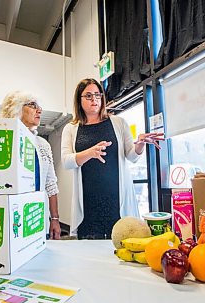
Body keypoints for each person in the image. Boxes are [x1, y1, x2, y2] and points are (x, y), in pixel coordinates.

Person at [61, 78, 164, 239]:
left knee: (120, 243)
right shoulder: (71, 128)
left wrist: (140, 144)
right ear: (79, 100)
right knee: (89, 247)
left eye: (97, 94)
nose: (94, 99)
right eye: (88, 96)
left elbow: (131, 156)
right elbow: (66, 161)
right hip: (88, 200)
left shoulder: (118, 122)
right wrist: (90, 152)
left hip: (116, 198)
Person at [0, 91, 61, 240]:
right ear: (16, 108)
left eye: (39, 106)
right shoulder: (4, 141)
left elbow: (51, 184)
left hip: (36, 218)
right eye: (32, 105)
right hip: (11, 219)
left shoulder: (43, 145)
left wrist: (55, 219)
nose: (39, 110)